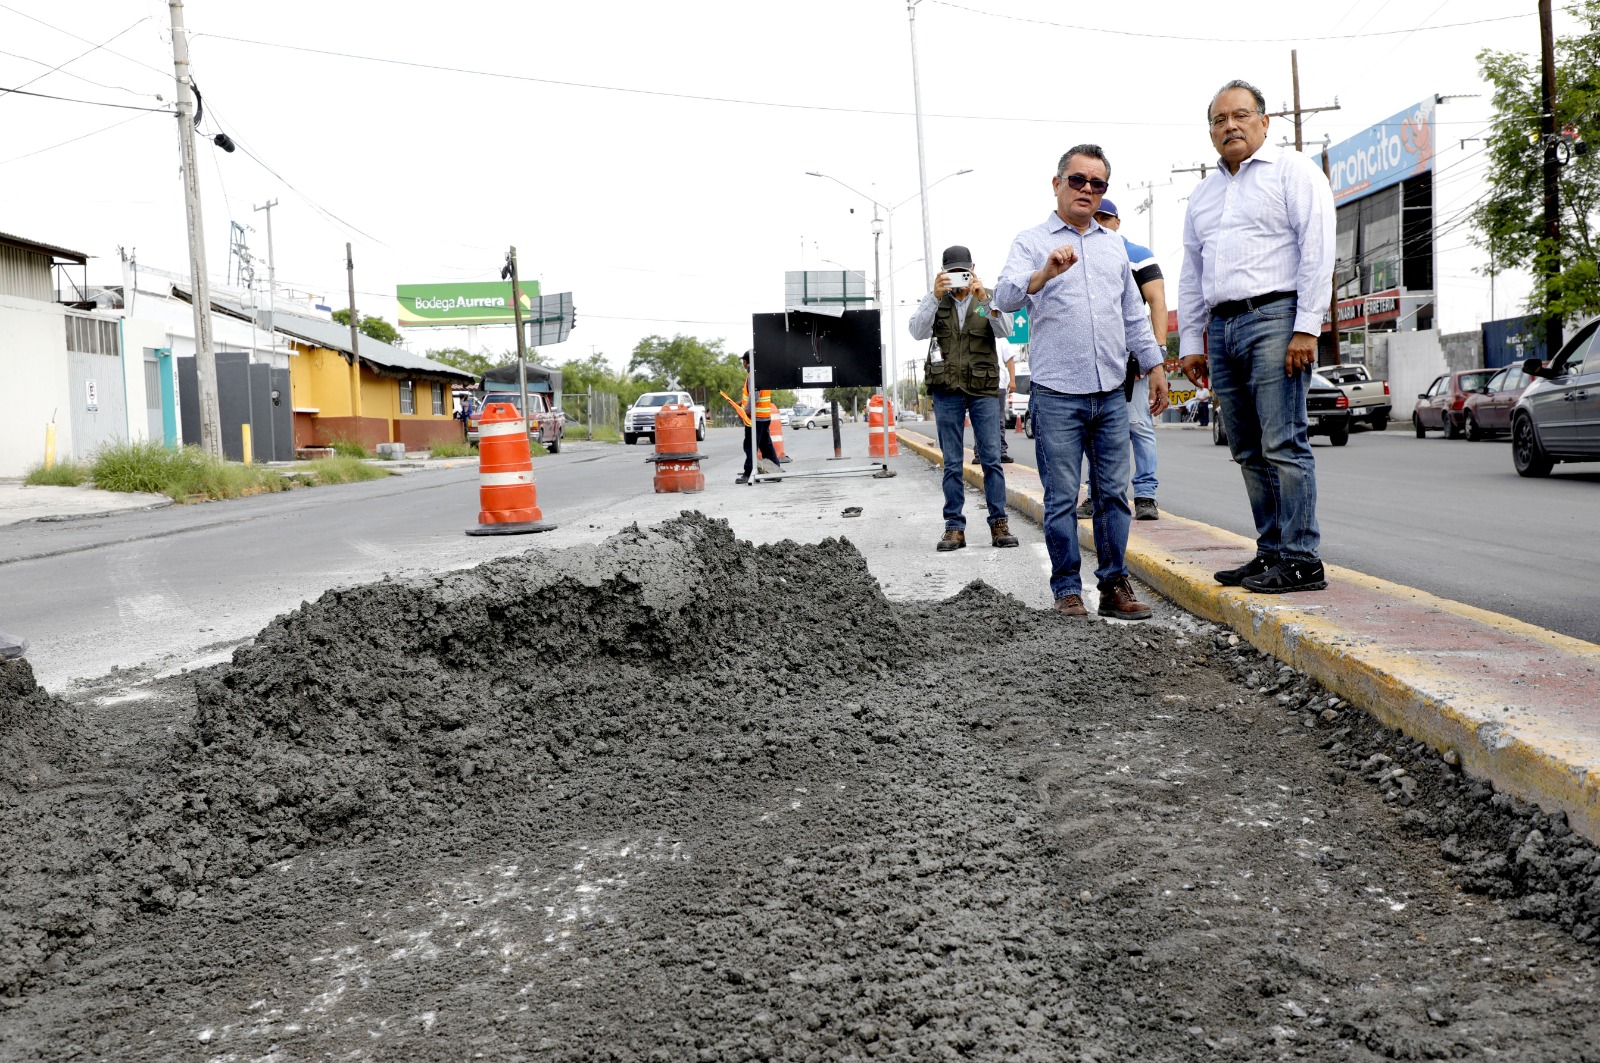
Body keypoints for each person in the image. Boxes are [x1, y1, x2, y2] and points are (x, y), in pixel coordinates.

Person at [994, 144, 1169, 619]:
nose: (1087, 190)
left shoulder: (1113, 246)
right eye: (1078, 181)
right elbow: (1004, 296)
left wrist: (1155, 367)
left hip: (1111, 391)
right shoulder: (1031, 241)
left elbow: (1134, 314)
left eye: (1098, 184)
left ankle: (1114, 587)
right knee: (1061, 498)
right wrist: (1045, 272)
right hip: (1056, 395)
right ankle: (1067, 590)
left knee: (1113, 494)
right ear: (1057, 184)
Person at [1178, 79, 1336, 594]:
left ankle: (1302, 558)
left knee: (1283, 442)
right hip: (1222, 327)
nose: (1230, 126)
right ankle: (1271, 552)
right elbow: (1191, 271)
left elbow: (1317, 249)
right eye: (1220, 120)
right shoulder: (1202, 195)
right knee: (1246, 447)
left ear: (1265, 122)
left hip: (1275, 317)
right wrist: (1192, 344)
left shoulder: (1293, 173)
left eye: (1240, 116)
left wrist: (1307, 327)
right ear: (1210, 132)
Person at [908, 245, 1018, 552]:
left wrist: (985, 298)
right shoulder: (937, 301)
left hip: (983, 390)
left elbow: (1004, 329)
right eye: (952, 272)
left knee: (991, 460)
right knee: (952, 463)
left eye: (963, 271)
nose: (958, 278)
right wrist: (933, 296)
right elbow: (916, 331)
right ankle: (954, 527)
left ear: (973, 268)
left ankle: (999, 524)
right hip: (946, 390)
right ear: (944, 273)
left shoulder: (983, 302)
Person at [1075, 197, 1168, 521]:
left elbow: (1157, 302)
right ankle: (1095, 493)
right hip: (1093, 359)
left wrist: (1155, 353)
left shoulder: (1138, 255)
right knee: (1093, 430)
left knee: (1139, 426)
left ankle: (1145, 495)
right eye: (1095, 216)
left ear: (1117, 221)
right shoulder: (1082, 252)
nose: (1100, 221)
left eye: (1106, 217)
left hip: (1132, 358)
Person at [735, 350, 782, 485]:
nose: (743, 365)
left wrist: (744, 410)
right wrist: (741, 403)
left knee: (750, 446)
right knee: (766, 445)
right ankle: (776, 470)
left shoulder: (753, 375)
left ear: (746, 362)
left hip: (754, 418)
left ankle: (748, 472)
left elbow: (754, 397)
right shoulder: (764, 374)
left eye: (743, 362)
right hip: (764, 416)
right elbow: (756, 396)